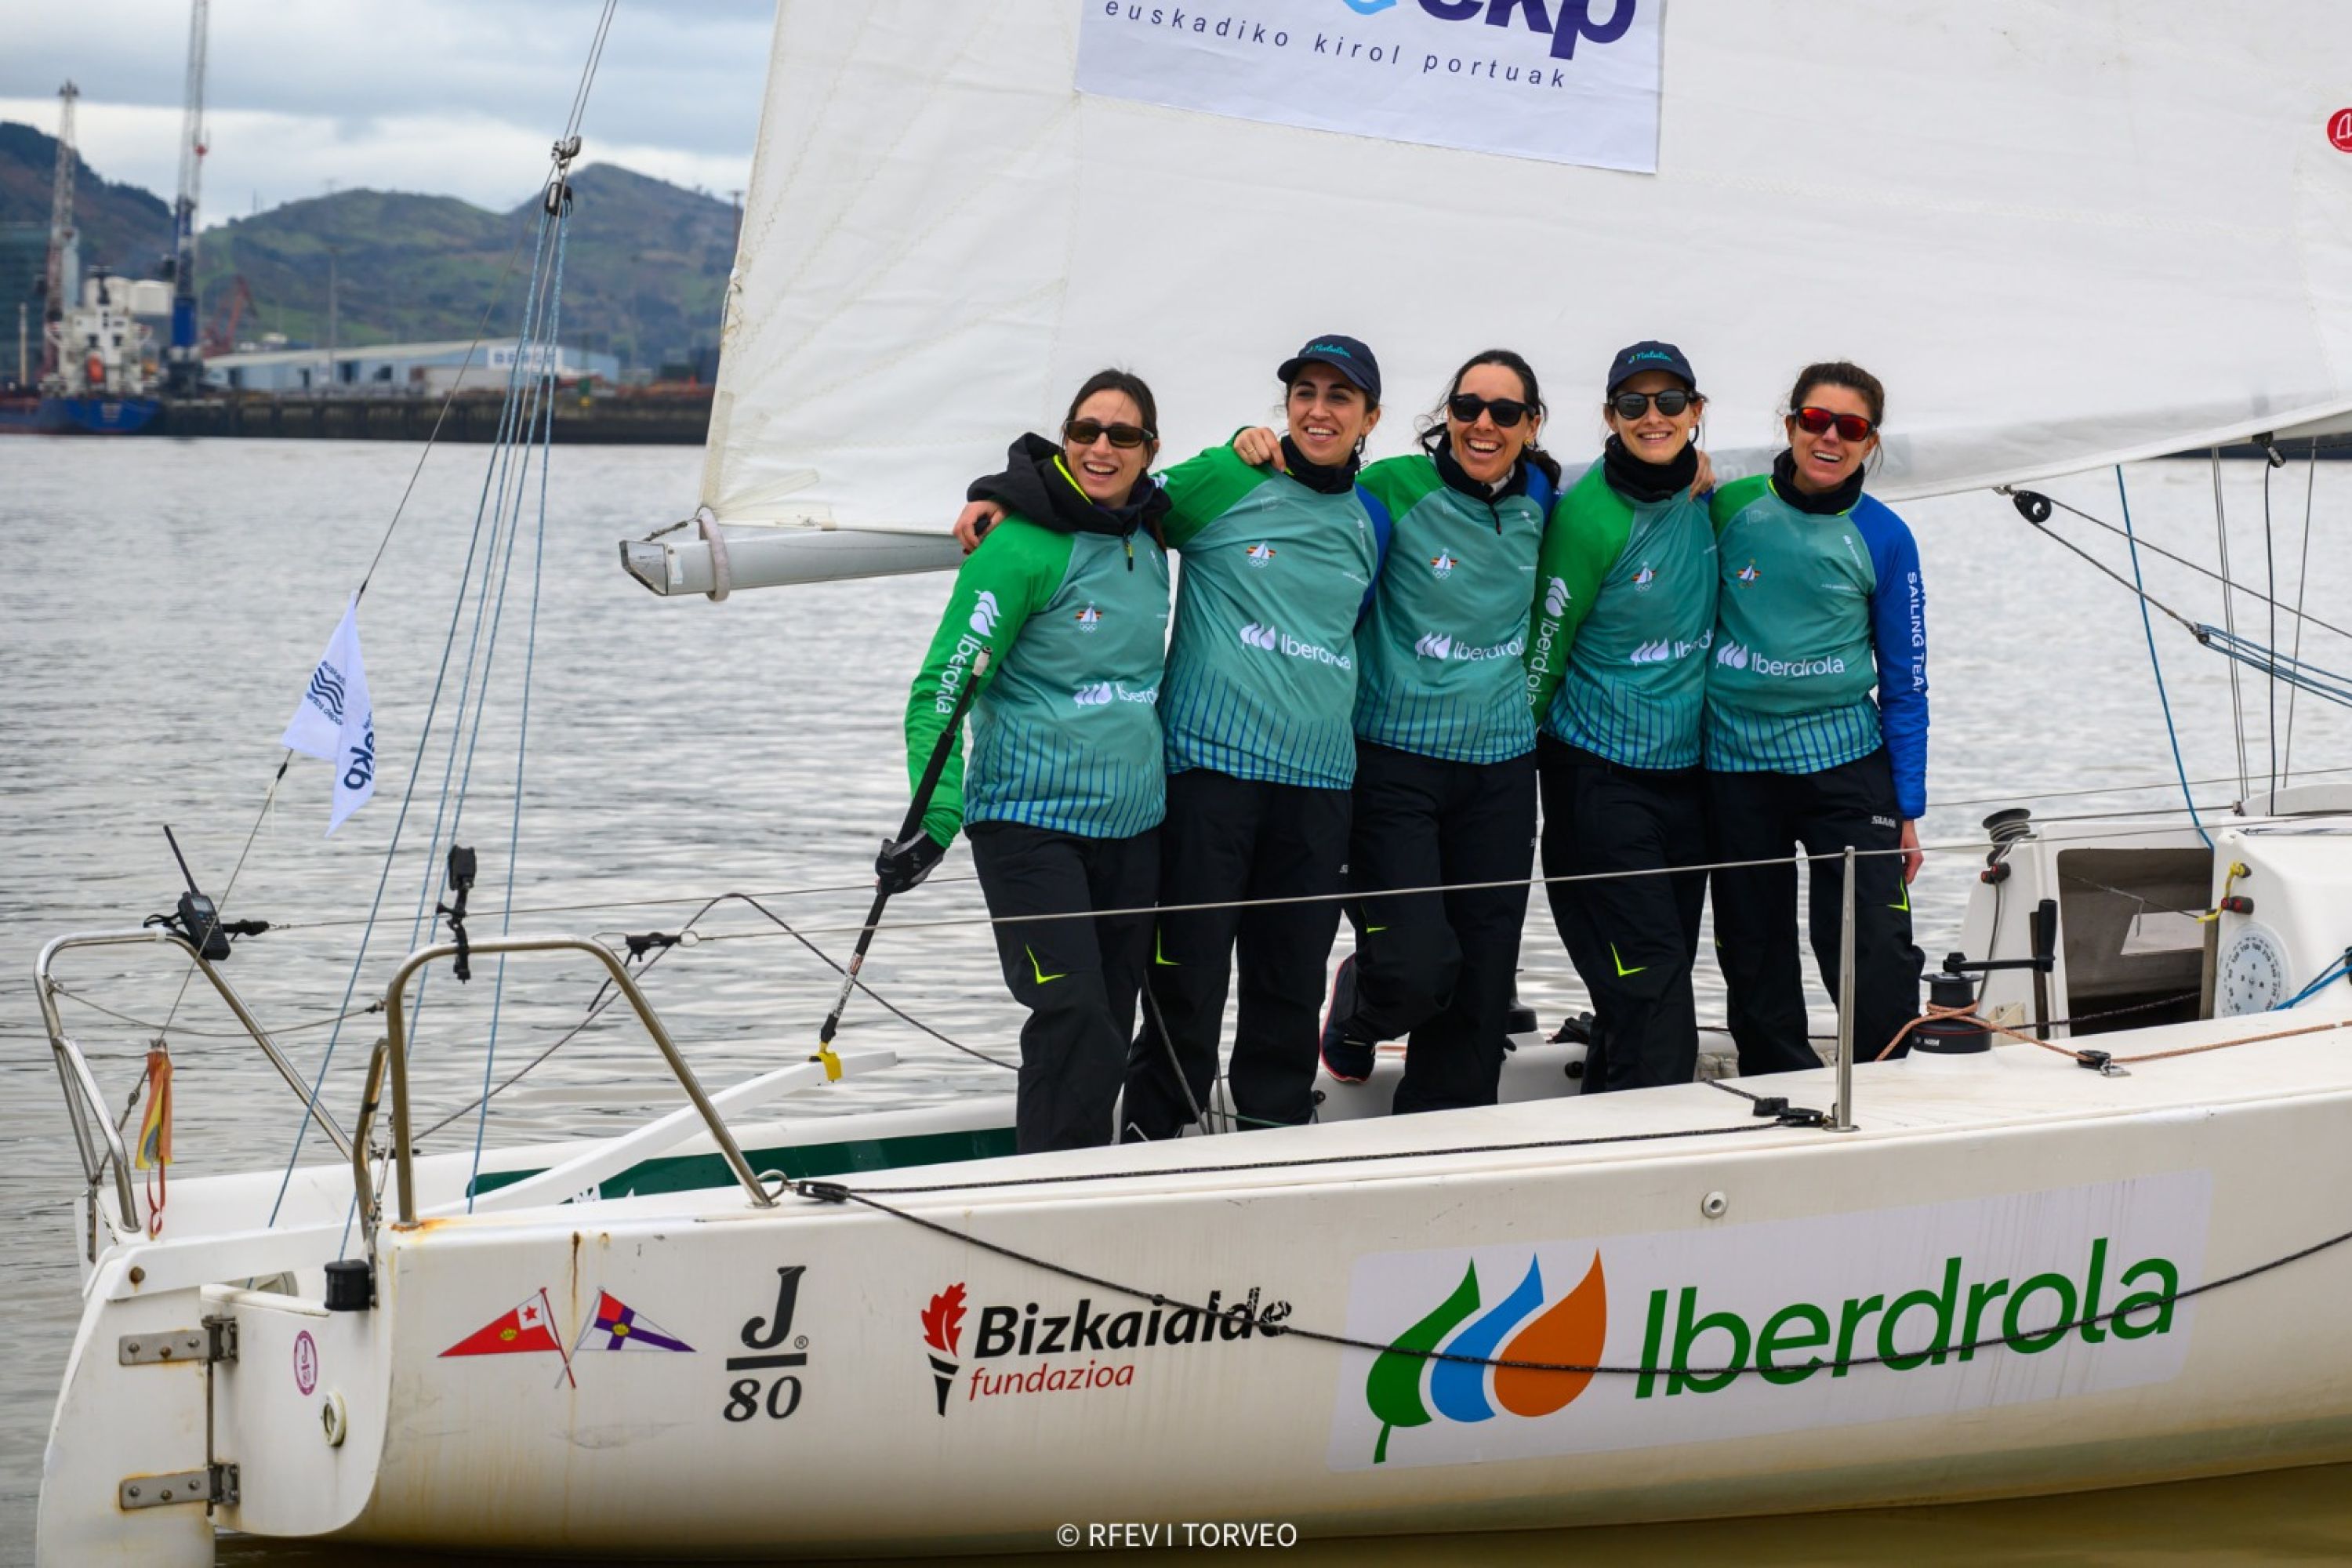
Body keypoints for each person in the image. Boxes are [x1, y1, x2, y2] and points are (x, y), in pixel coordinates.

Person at [959, 338, 1386, 1140]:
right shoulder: (1229, 477)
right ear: (1286, 403)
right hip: (1207, 773)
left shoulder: (1373, 516)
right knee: (1185, 982)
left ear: (1372, 417)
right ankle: (1156, 1131)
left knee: (1288, 984)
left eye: (1340, 396)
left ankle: (1273, 1132)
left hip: (1321, 782)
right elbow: (1107, 491)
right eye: (1305, 392)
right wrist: (999, 496)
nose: (1319, 409)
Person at [890, 369, 1174, 1152]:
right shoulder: (1015, 543)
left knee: (1114, 1018)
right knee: (1073, 1009)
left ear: (1150, 451)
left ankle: (1087, 1172)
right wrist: (934, 815)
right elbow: (942, 685)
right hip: (1027, 822)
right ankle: (1048, 1182)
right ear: (1064, 437)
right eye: (1085, 431)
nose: (1101, 448)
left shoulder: (1151, 533)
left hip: (1133, 826)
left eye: (1122, 435)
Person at [1316, 349, 1559, 1113]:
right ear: (1446, 414)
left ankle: (1440, 1135)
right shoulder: (1390, 486)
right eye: (1468, 407)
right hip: (1393, 760)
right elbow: (1295, 493)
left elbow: (1637, 480)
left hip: (1501, 768)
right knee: (1418, 965)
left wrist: (1698, 467)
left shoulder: (1545, 494)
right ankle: (1360, 1001)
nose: (1483, 424)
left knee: (1483, 982)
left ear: (1531, 425)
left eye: (1504, 412)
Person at [1703, 360, 1929, 1072]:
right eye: (1816, 421)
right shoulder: (1727, 505)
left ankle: (1890, 1082)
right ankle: (1782, 1085)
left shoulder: (1887, 537)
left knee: (1874, 948)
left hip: (1844, 763)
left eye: (1851, 428)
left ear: (1870, 442)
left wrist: (1910, 807)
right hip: (1736, 764)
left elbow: (1906, 680)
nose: (1830, 438)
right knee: (1754, 944)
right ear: (1791, 422)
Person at [1523, 342, 1719, 1091]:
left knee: (1646, 980)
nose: (1653, 416)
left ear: (1696, 415)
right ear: (1609, 416)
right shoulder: (1588, 518)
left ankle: (1606, 1118)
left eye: (1670, 402)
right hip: (1597, 779)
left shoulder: (1711, 499)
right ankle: (1653, 1147)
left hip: (1687, 780)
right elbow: (1544, 654)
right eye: (1633, 404)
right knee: (1656, 979)